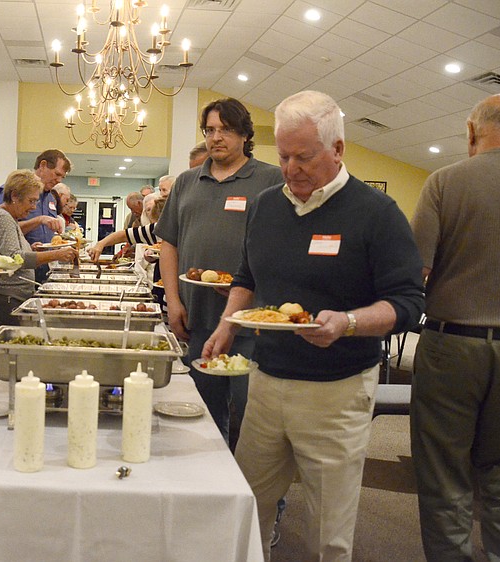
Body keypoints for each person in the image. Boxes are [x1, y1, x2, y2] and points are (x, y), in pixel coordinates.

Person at [203, 90, 425, 560]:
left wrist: (347, 322)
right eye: (283, 156)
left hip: (336, 391)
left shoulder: (377, 214)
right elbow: (246, 278)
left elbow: (406, 302)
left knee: (329, 530)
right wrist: (226, 326)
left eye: (304, 157)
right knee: (248, 510)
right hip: (266, 380)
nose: (291, 169)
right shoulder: (265, 206)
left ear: (338, 149)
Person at [409, 93, 500, 562]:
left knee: (444, 475)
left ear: (472, 133)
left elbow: (414, 271)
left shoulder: (444, 182)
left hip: (452, 347)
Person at [155, 97, 283, 445]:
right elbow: (169, 244)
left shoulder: (272, 179)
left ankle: (263, 498)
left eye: (225, 129)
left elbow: (284, 247)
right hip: (198, 319)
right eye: (210, 130)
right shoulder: (186, 182)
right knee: (203, 414)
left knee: (254, 417)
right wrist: (173, 301)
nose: (216, 137)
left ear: (244, 134)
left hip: (252, 323)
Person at [0, 170, 78, 333]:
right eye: (31, 201)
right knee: (7, 350)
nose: (33, 207)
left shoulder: (9, 218)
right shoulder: (2, 218)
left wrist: (31, 248)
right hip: (5, 297)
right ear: (14, 196)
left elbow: (10, 252)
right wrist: (56, 254)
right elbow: (15, 258)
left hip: (12, 295)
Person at [0, 150, 72, 283]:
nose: (59, 180)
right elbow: (5, 228)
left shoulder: (51, 197)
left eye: (62, 177)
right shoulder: (15, 192)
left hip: (44, 268)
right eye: (57, 174)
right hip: (18, 275)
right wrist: (38, 220)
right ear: (42, 165)